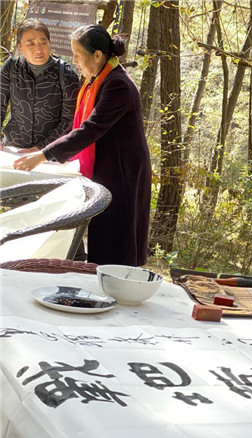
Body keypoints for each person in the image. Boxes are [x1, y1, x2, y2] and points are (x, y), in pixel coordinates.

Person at [13, 25, 151, 267]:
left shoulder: (118, 85)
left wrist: (44, 156)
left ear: (97, 55)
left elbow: (91, 129)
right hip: (105, 168)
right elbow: (78, 125)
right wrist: (42, 151)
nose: (74, 60)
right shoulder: (95, 80)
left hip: (122, 171)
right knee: (102, 233)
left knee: (117, 239)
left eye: (78, 54)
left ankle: (117, 287)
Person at [0, 19, 79, 152]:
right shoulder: (12, 68)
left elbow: (69, 120)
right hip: (13, 148)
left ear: (49, 43)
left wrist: (39, 150)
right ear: (20, 46)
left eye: (43, 42)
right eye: (30, 44)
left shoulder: (66, 74)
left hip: (50, 154)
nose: (38, 49)